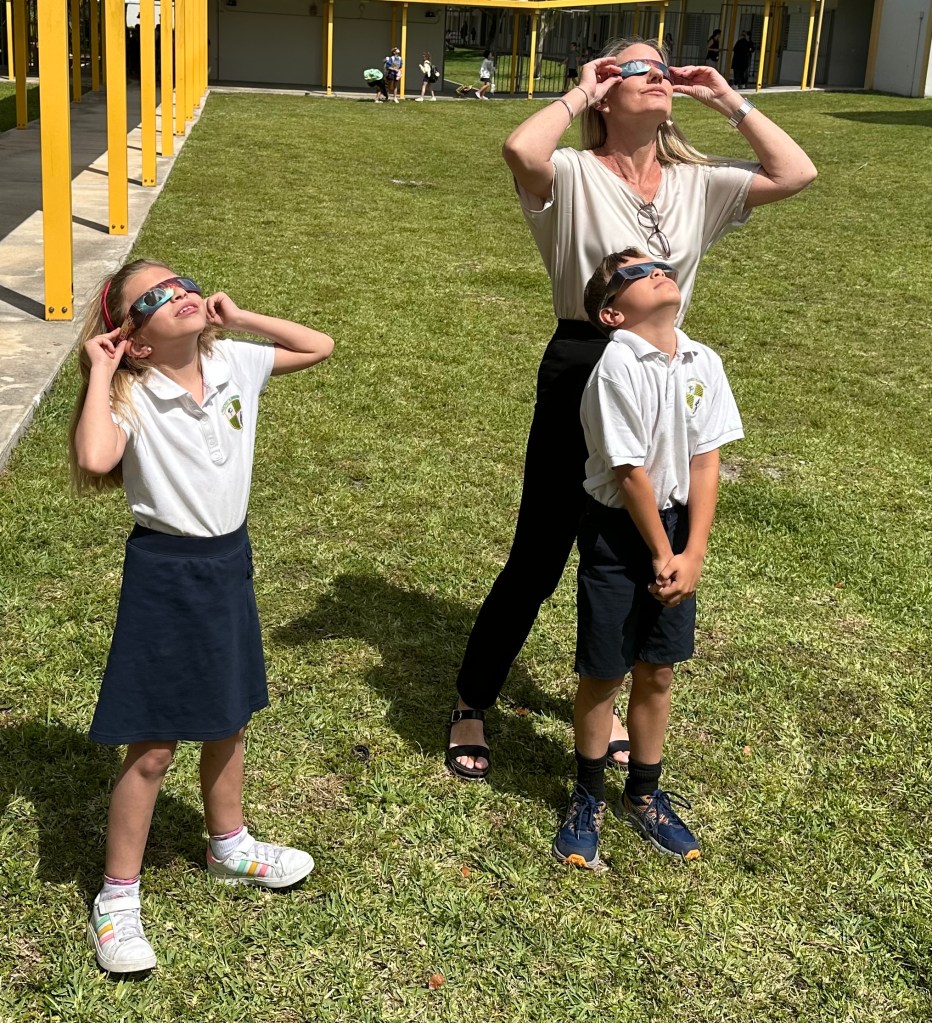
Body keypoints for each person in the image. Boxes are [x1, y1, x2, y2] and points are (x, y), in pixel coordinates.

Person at [445, 37, 816, 782]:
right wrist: (579, 91)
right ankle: (471, 699)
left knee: (629, 544)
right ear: (608, 92)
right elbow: (520, 148)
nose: (656, 78)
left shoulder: (698, 183)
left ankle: (603, 696)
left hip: (661, 372)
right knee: (541, 552)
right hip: (583, 361)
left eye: (663, 69)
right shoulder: (573, 172)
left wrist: (728, 100)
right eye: (634, 69)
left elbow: (795, 172)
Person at [69, 259, 334, 973]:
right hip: (166, 572)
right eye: (155, 297)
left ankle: (229, 846)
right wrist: (102, 370)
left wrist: (239, 316)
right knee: (153, 745)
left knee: (228, 717)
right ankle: (117, 897)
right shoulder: (131, 392)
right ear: (135, 340)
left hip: (227, 561)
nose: (180, 293)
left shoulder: (233, 362)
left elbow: (319, 346)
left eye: (181, 281)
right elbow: (94, 455)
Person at [552, 247, 743, 870]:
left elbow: (706, 459)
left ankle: (644, 793)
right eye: (634, 273)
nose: (655, 272)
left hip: (678, 531)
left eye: (659, 265)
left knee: (658, 669)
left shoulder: (703, 361)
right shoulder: (615, 367)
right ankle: (588, 795)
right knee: (604, 672)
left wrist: (693, 552)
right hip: (618, 534)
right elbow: (629, 471)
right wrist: (663, 553)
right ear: (611, 313)